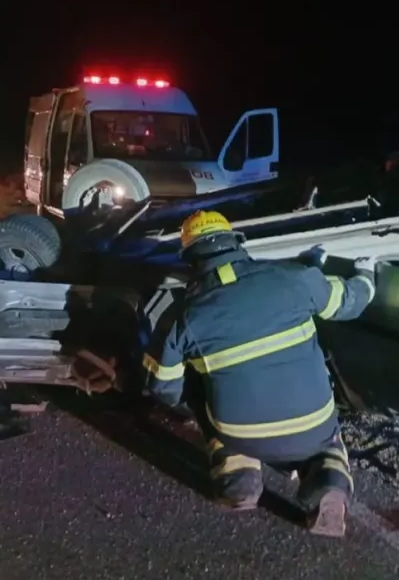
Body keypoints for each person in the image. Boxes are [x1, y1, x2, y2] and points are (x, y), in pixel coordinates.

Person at [142, 209, 378, 537]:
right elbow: (351, 302)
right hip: (313, 425)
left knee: (202, 393)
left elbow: (163, 389)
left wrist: (201, 398)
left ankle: (238, 479)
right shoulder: (294, 278)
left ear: (189, 258)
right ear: (237, 243)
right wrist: (367, 274)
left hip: (240, 433)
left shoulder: (182, 317)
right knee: (328, 442)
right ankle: (329, 487)